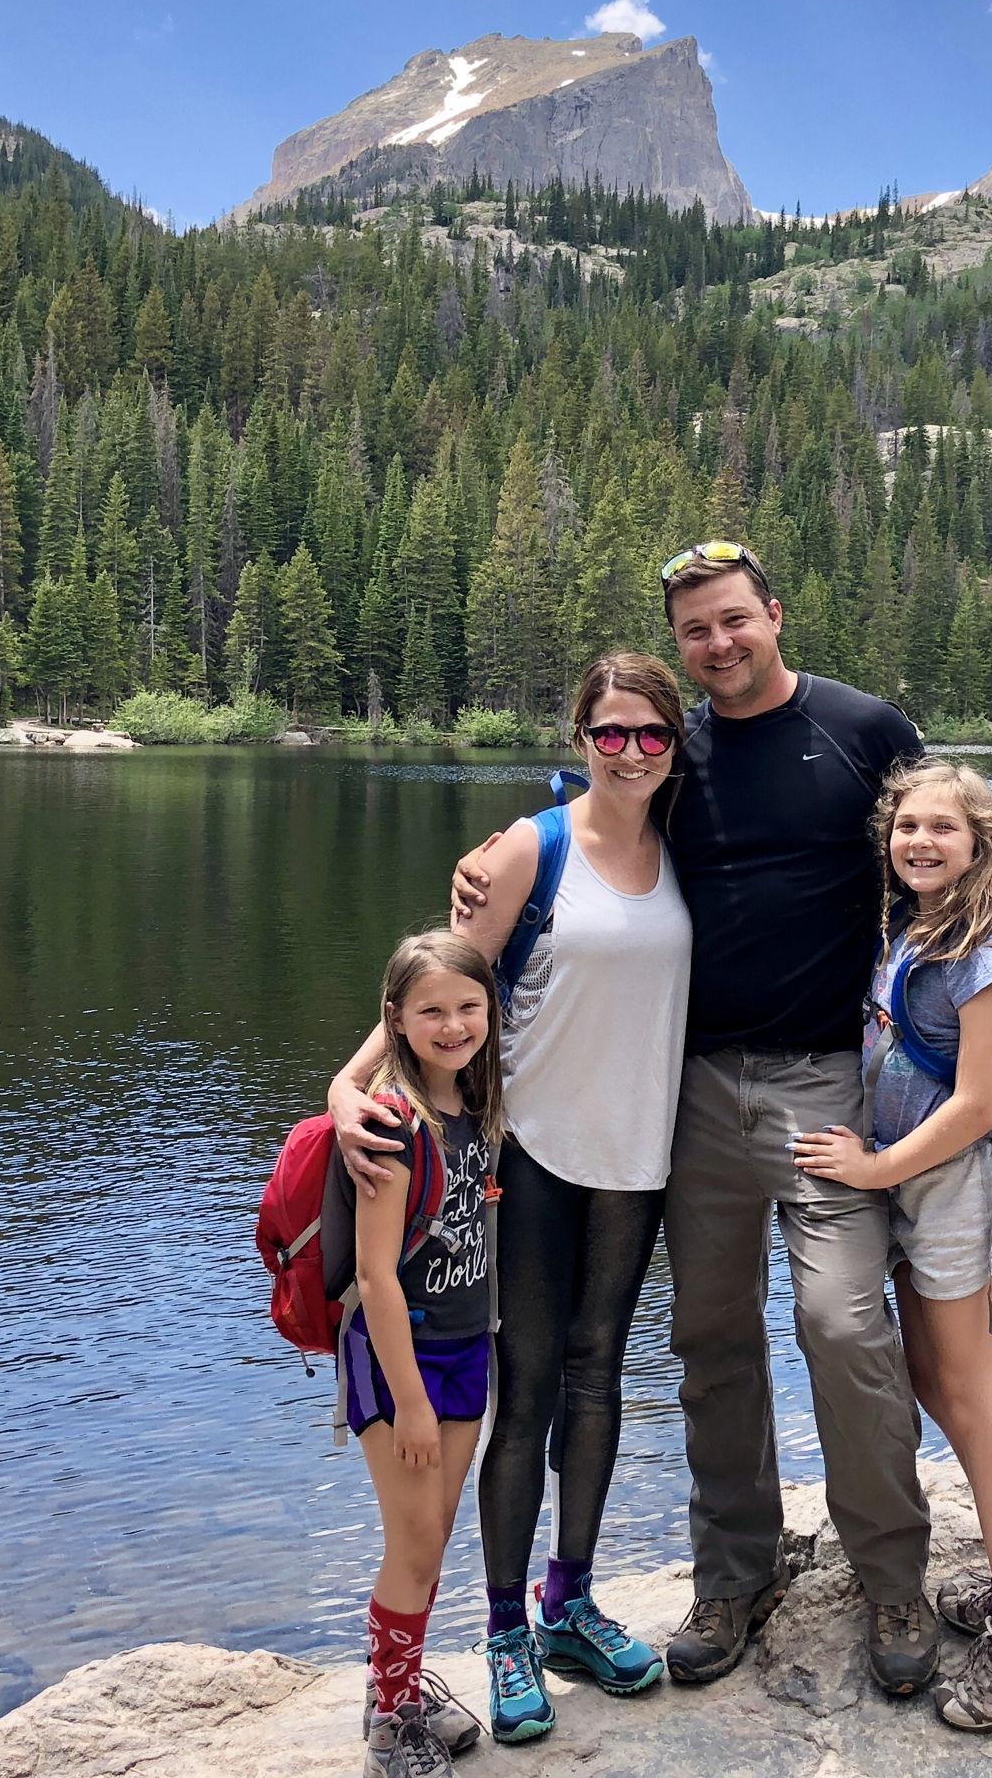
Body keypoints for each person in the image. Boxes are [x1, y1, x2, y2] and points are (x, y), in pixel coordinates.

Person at [411, 544, 939, 1697]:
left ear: (774, 614)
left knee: (843, 1321)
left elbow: (949, 846)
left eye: (733, 619)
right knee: (708, 1334)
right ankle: (733, 1573)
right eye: (695, 629)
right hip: (690, 1088)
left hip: (824, 1085)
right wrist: (494, 855)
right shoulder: (674, 750)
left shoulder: (864, 730)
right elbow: (593, 818)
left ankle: (892, 1578)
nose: (718, 642)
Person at [328, 655, 692, 1746]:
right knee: (527, 1390)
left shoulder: (687, 842)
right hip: (529, 1148)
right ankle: (501, 1632)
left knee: (598, 1377)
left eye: (651, 733)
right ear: (579, 736)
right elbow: (443, 980)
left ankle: (567, 1602)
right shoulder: (532, 848)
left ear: (675, 742)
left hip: (638, 1152)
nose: (630, 751)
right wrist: (348, 1086)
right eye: (609, 731)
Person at [791, 759, 992, 1733]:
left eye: (942, 828)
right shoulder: (915, 926)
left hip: (960, 1188)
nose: (920, 841)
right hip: (919, 1186)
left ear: (978, 841)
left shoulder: (982, 947)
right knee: (939, 1384)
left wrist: (873, 1168)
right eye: (906, 826)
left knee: (975, 1401)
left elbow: (976, 1103)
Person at [347, 932, 502, 1778]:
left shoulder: (472, 1103)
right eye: (431, 1011)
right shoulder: (392, 1124)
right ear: (396, 1020)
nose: (453, 1026)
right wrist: (408, 1399)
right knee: (411, 1542)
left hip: (464, 1349)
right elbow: (375, 1275)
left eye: (468, 1007)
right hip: (399, 1362)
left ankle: (400, 1690)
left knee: (431, 1538)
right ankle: (388, 1723)